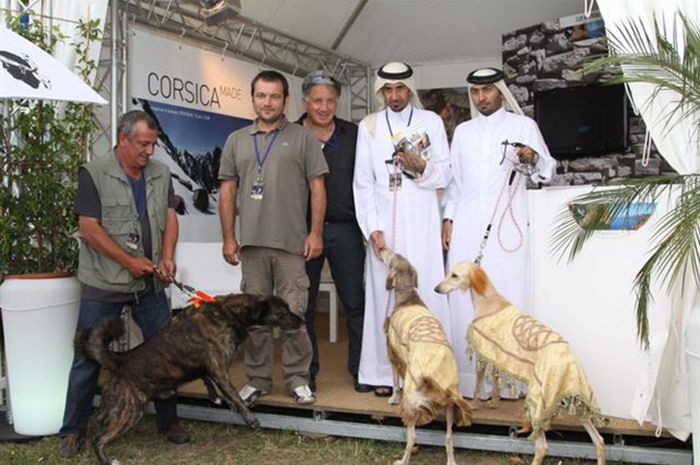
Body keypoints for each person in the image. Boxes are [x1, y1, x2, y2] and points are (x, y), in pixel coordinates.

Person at [58, 110, 187, 458]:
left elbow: (170, 219)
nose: (149, 151)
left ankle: (169, 422)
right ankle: (72, 431)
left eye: (153, 144)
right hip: (104, 283)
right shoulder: (94, 173)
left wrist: (167, 257)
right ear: (123, 139)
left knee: (166, 354)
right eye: (143, 144)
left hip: (150, 285)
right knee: (88, 356)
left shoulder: (160, 173)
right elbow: (89, 229)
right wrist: (128, 262)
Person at [441, 67, 556, 396]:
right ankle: (469, 380)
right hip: (466, 224)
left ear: (500, 92)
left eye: (487, 90)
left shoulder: (523, 126)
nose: (481, 98)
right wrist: (448, 218)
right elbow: (454, 181)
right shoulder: (463, 132)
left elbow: (548, 170)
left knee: (507, 296)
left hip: (507, 223)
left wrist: (532, 157)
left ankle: (510, 382)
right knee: (465, 298)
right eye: (475, 92)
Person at [218, 70, 328, 406]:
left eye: (275, 96)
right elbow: (227, 191)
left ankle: (298, 379)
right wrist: (228, 237)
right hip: (251, 246)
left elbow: (318, 188)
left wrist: (315, 233)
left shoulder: (303, 137)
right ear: (253, 98)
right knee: (255, 320)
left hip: (292, 245)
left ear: (286, 100)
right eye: (261, 95)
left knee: (294, 315)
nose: (267, 103)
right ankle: (257, 380)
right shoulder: (236, 139)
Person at [353, 61, 452, 396]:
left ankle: (429, 371)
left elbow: (445, 174)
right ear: (381, 91)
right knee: (384, 295)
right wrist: (372, 228)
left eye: (400, 89)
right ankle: (384, 374)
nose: (394, 96)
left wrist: (421, 167)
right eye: (388, 90)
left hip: (421, 220)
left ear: (410, 89)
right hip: (383, 226)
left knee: (424, 294)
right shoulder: (368, 126)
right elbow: (363, 183)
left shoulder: (430, 121)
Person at [296, 71, 371, 394]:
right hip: (302, 232)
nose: (324, 107)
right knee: (303, 305)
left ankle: (362, 369)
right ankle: (306, 372)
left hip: (346, 231)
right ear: (305, 102)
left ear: (337, 102)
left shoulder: (354, 134)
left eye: (330, 101)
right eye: (317, 101)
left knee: (355, 303)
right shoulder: (291, 134)